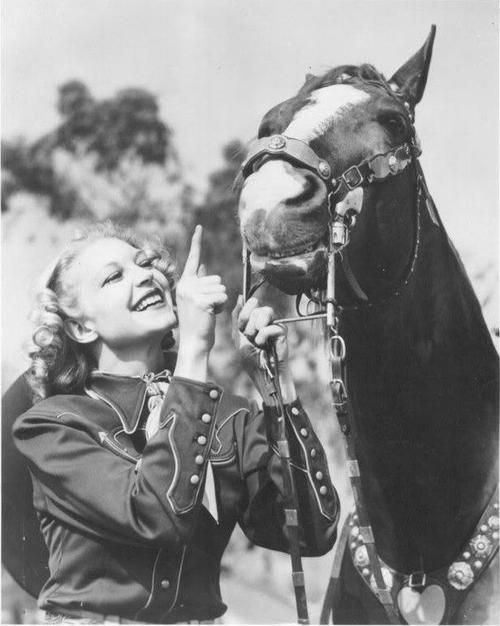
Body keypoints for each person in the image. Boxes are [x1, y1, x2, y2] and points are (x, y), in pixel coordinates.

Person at [8, 221, 339, 624]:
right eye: (113, 277)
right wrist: (194, 349)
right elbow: (154, 514)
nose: (144, 276)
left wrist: (276, 384)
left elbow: (310, 531)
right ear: (80, 326)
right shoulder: (52, 426)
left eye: (145, 263)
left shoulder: (227, 415)